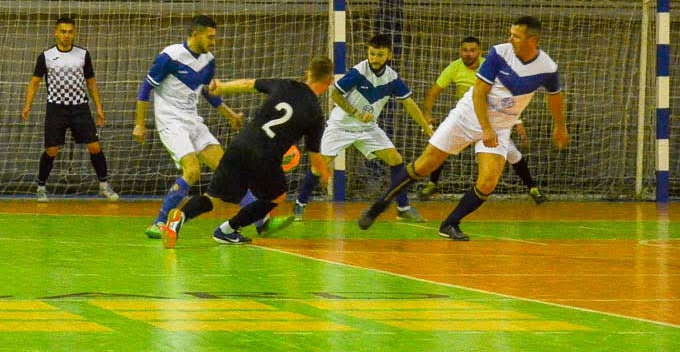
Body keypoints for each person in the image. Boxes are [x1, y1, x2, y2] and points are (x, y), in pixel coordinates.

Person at [358, 16, 569, 240]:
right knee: (425, 164)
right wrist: (485, 128)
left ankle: (449, 224)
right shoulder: (499, 53)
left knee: (488, 182)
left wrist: (560, 126)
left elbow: (555, 96)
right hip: (467, 116)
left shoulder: (547, 67)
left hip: (500, 126)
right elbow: (479, 92)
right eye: (510, 34)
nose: (510, 38)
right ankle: (379, 206)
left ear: (532, 40)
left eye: (516, 36)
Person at [161, 56, 335, 248]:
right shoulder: (315, 113)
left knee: (212, 198)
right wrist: (325, 175)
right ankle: (228, 229)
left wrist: (222, 87)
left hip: (239, 146)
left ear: (307, 73)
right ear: (329, 81)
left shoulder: (284, 85)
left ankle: (180, 217)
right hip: (265, 157)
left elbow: (247, 84)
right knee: (277, 196)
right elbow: (315, 156)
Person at [292, 34, 433, 222]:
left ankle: (403, 207)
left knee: (396, 159)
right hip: (341, 126)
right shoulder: (359, 72)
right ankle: (299, 204)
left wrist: (427, 129)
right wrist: (356, 112)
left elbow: (409, 103)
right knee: (320, 165)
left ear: (389, 55)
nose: (374, 59)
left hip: (367, 128)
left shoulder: (392, 78)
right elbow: (335, 94)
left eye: (380, 55)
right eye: (371, 54)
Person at [132, 15, 243, 239]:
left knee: (228, 170)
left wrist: (230, 114)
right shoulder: (170, 56)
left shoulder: (209, 60)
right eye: (210, 37)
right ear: (195, 34)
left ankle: (261, 221)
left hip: (193, 119)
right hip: (170, 120)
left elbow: (207, 93)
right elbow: (145, 90)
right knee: (192, 170)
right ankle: (159, 222)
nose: (213, 41)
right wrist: (139, 124)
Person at [420, 37, 545, 204]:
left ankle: (532, 188)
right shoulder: (454, 67)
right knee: (443, 145)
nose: (469, 54)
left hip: (492, 121)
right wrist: (426, 114)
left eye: (473, 50)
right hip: (466, 119)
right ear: (460, 52)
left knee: (512, 153)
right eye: (465, 50)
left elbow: (510, 96)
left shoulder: (491, 66)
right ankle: (432, 184)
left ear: (479, 52)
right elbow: (433, 92)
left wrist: (518, 122)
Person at [21, 16, 119, 202]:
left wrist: (99, 107)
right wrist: (27, 105)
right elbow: (35, 82)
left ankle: (104, 185)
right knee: (52, 149)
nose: (67, 35)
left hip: (79, 107)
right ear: (56, 32)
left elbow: (91, 82)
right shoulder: (46, 56)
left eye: (70, 32)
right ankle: (41, 187)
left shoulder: (83, 54)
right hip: (56, 108)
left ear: (74, 33)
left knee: (94, 146)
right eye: (63, 31)